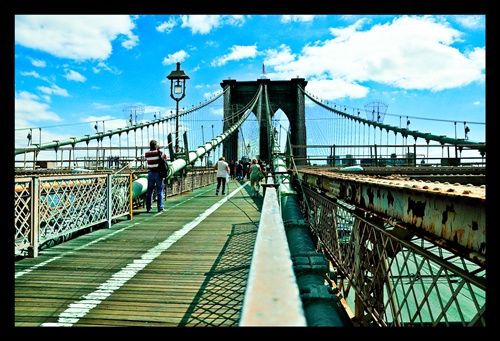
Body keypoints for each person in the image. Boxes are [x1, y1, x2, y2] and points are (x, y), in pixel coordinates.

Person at [145, 139, 166, 212]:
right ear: (156, 145)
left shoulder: (146, 153)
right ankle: (160, 207)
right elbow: (165, 157)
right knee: (159, 191)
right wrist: (158, 149)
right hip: (158, 173)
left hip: (150, 173)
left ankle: (148, 208)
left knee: (149, 191)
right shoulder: (159, 152)